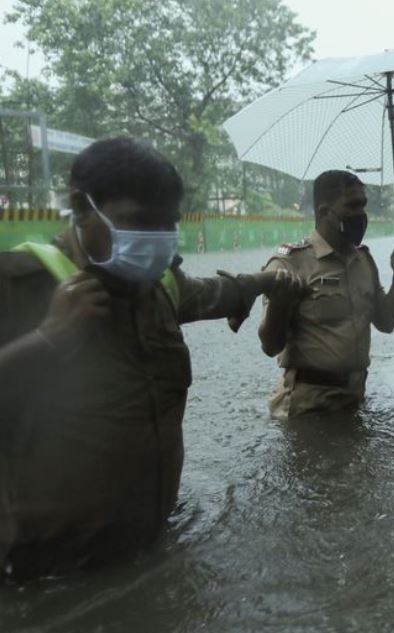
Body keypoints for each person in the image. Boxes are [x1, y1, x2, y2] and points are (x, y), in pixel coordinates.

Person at [0, 137, 301, 580]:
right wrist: (48, 340)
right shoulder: (16, 286)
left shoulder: (160, 288)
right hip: (49, 580)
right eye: (138, 222)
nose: (155, 241)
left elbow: (217, 293)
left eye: (168, 225)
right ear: (81, 207)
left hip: (153, 554)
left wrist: (268, 281)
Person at [258, 170, 394, 419]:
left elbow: (386, 322)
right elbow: (270, 345)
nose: (360, 215)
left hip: (354, 401)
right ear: (322, 212)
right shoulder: (290, 263)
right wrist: (280, 302)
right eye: (351, 206)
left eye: (363, 205)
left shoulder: (363, 260)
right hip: (306, 407)